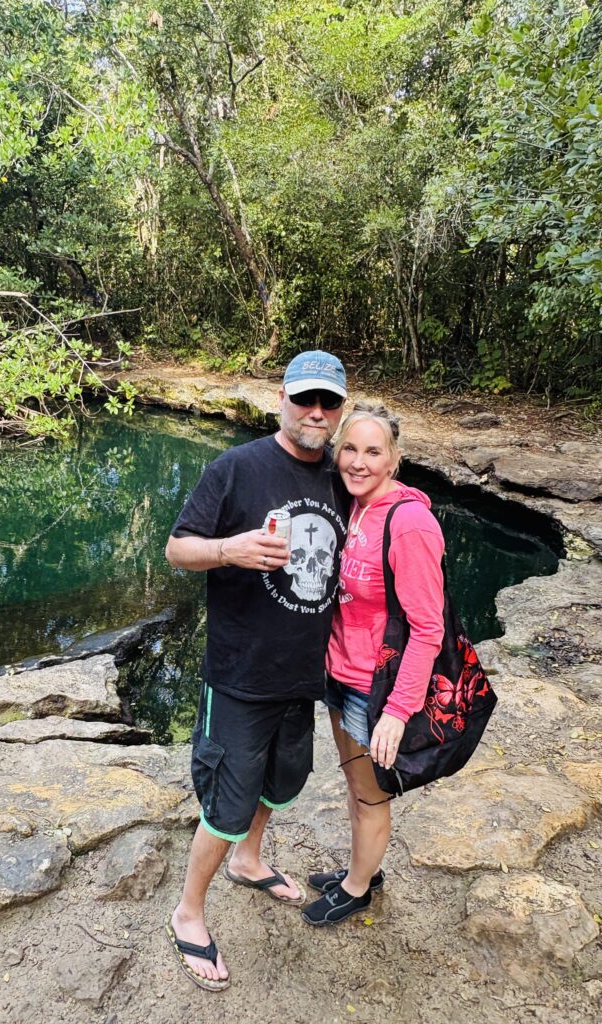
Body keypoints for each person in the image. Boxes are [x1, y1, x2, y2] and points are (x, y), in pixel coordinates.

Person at [164, 351, 349, 990]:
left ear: (340, 410)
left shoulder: (340, 478)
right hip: (240, 676)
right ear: (283, 400)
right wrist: (229, 550)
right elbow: (177, 549)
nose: (316, 413)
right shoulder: (236, 468)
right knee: (227, 801)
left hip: (304, 675)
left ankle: (249, 860)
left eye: (329, 403)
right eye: (305, 400)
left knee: (283, 780)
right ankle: (189, 912)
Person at [300, 401, 445, 927]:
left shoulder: (409, 523)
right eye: (351, 449)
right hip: (340, 674)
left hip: (376, 689)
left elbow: (428, 628)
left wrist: (399, 709)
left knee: (370, 793)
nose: (359, 462)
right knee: (355, 783)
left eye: (373, 451)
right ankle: (361, 867)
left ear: (394, 460)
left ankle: (358, 887)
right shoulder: (355, 505)